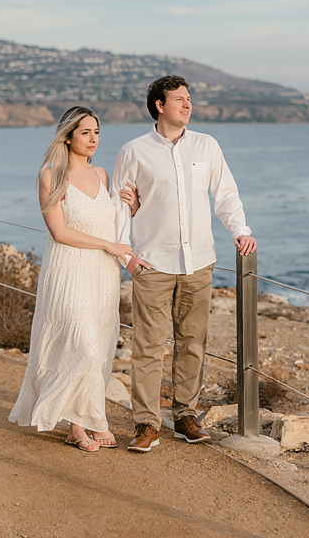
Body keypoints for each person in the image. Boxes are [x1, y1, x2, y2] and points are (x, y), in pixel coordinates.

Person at [112, 75, 256, 453]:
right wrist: (126, 255)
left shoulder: (207, 146)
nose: (187, 105)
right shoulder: (134, 151)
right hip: (152, 262)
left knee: (192, 342)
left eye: (189, 98)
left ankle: (184, 417)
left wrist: (240, 230)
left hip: (199, 261)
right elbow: (117, 206)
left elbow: (225, 194)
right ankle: (146, 423)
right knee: (148, 345)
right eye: (179, 99)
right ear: (159, 106)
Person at [9, 106, 135, 452]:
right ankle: (78, 421)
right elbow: (60, 231)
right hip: (68, 271)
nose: (93, 139)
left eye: (97, 133)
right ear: (68, 136)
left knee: (100, 347)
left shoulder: (104, 175)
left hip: (103, 275)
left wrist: (130, 207)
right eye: (86, 133)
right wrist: (110, 245)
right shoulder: (50, 176)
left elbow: (107, 221)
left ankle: (79, 425)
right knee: (82, 345)